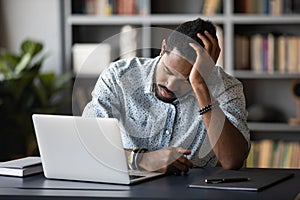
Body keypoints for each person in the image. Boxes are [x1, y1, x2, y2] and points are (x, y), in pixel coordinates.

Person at [82, 18, 250, 175]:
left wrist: (200, 85)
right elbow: (88, 146)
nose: (170, 85)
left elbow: (232, 160)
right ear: (163, 49)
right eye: (168, 71)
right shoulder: (119, 77)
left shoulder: (226, 86)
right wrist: (141, 159)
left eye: (186, 80)